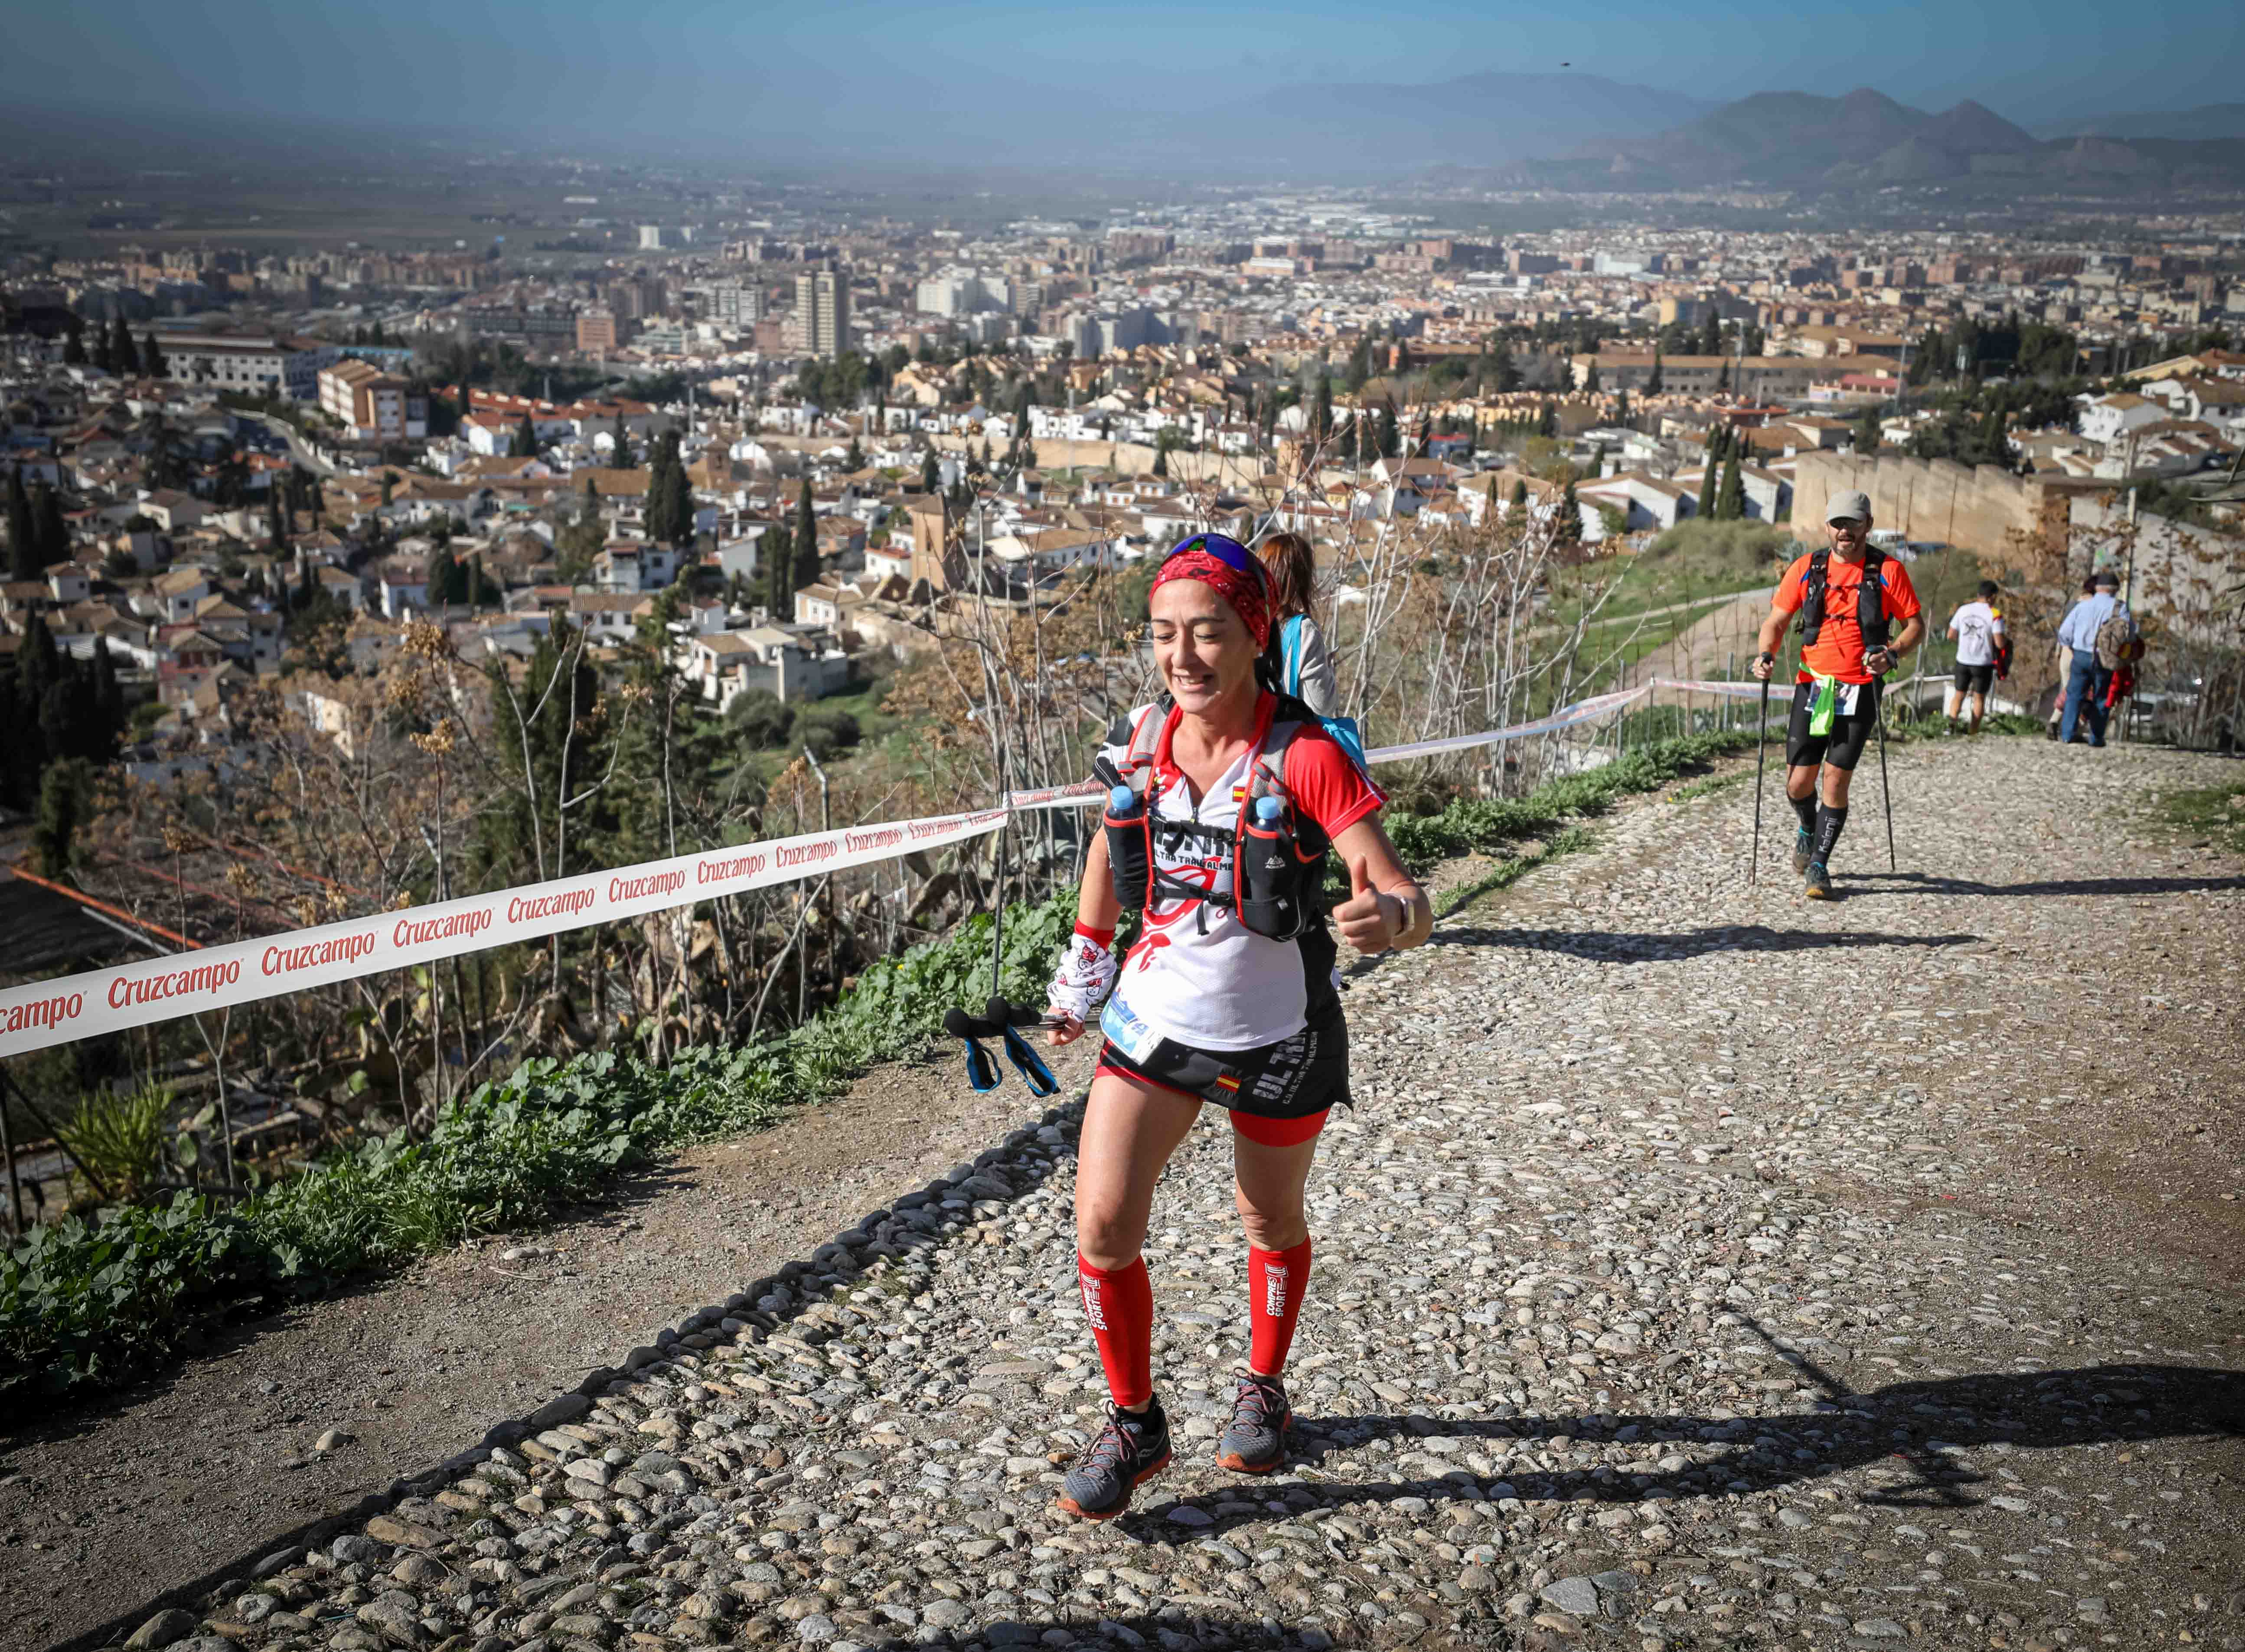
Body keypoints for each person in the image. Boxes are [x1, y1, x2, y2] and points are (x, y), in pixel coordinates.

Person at [1038, 531, 1430, 1521]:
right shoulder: (1138, 737)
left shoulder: (1302, 753)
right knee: (1101, 1222)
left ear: (1254, 636)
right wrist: (1082, 976)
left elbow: (1396, 888)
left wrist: (1387, 918)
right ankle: (1134, 1421)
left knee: (1267, 1219)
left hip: (1279, 1034)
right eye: (1164, 635)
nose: (1183, 657)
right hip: (1153, 1025)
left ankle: (1263, 1384)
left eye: (1206, 633)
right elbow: (1105, 852)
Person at [1749, 490, 1924, 899]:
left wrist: (1893, 654)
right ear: (1827, 527)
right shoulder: (1807, 569)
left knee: (1836, 779)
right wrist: (1764, 655)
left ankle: (1819, 865)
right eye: (1838, 523)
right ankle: (1807, 826)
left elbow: (1914, 626)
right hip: (1814, 685)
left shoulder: (1888, 570)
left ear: (1869, 524)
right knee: (1797, 784)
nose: (1846, 531)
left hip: (1861, 687)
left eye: (1854, 523)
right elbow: (1776, 622)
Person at [1256, 530, 1338, 716]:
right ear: (1302, 579)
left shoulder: (1245, 620)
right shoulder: (1303, 630)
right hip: (1282, 739)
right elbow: (1321, 706)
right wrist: (1328, 669)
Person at [2056, 569, 2136, 748]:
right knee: (2101, 698)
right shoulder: (2120, 608)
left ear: (2098, 588)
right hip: (2105, 659)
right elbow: (2131, 636)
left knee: (2074, 695)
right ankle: (2096, 738)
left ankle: (2068, 734)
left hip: (2081, 656)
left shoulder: (2083, 606)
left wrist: (2073, 646)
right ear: (2115, 590)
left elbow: (2064, 633)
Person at [1945, 579, 2005, 734]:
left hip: (1963, 659)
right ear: (1992, 597)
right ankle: (1973, 731)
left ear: (1979, 595)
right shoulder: (1995, 614)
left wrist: (1964, 642)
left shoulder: (1963, 610)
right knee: (1979, 698)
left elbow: (1950, 635)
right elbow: (1999, 644)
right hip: (1983, 662)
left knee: (1959, 694)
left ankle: (1951, 727)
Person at [2048, 575, 2097, 741]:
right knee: (2080, 693)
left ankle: (2056, 723)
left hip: (2065, 652)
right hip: (2082, 653)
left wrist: (2059, 649)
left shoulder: (2072, 604)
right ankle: (2069, 728)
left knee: (2069, 690)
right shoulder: (2094, 607)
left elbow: (2064, 630)